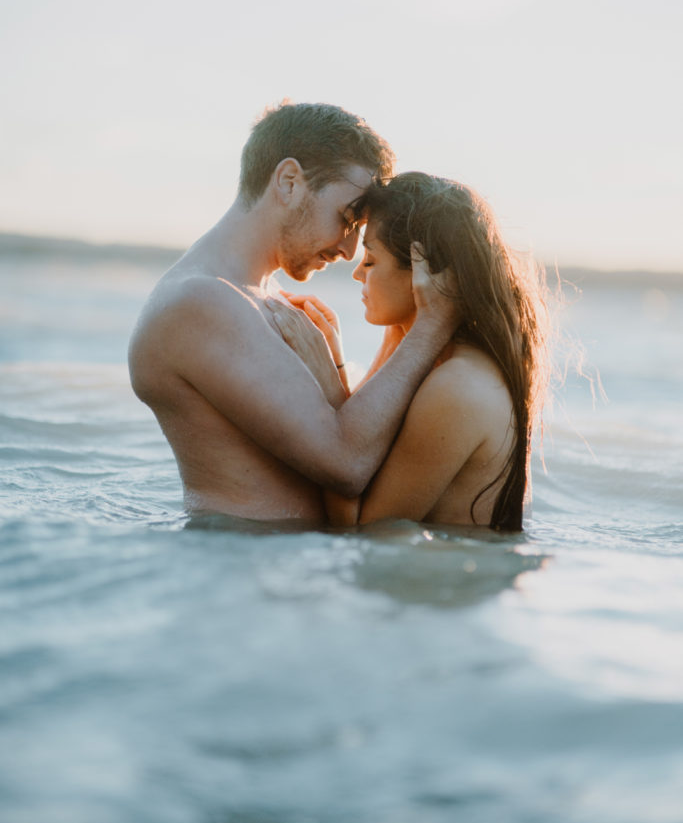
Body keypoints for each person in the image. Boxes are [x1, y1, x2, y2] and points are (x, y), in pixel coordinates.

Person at [128, 103, 458, 524]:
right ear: (288, 181)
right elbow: (348, 466)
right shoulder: (197, 303)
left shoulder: (264, 298)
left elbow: (343, 442)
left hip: (292, 555)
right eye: (347, 218)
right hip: (246, 556)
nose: (349, 251)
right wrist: (431, 326)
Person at [273, 172, 550, 532]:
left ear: (424, 274)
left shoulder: (458, 386)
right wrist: (359, 352)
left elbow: (361, 532)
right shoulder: (450, 365)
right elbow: (362, 458)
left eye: (370, 260)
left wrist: (325, 379)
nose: (357, 274)